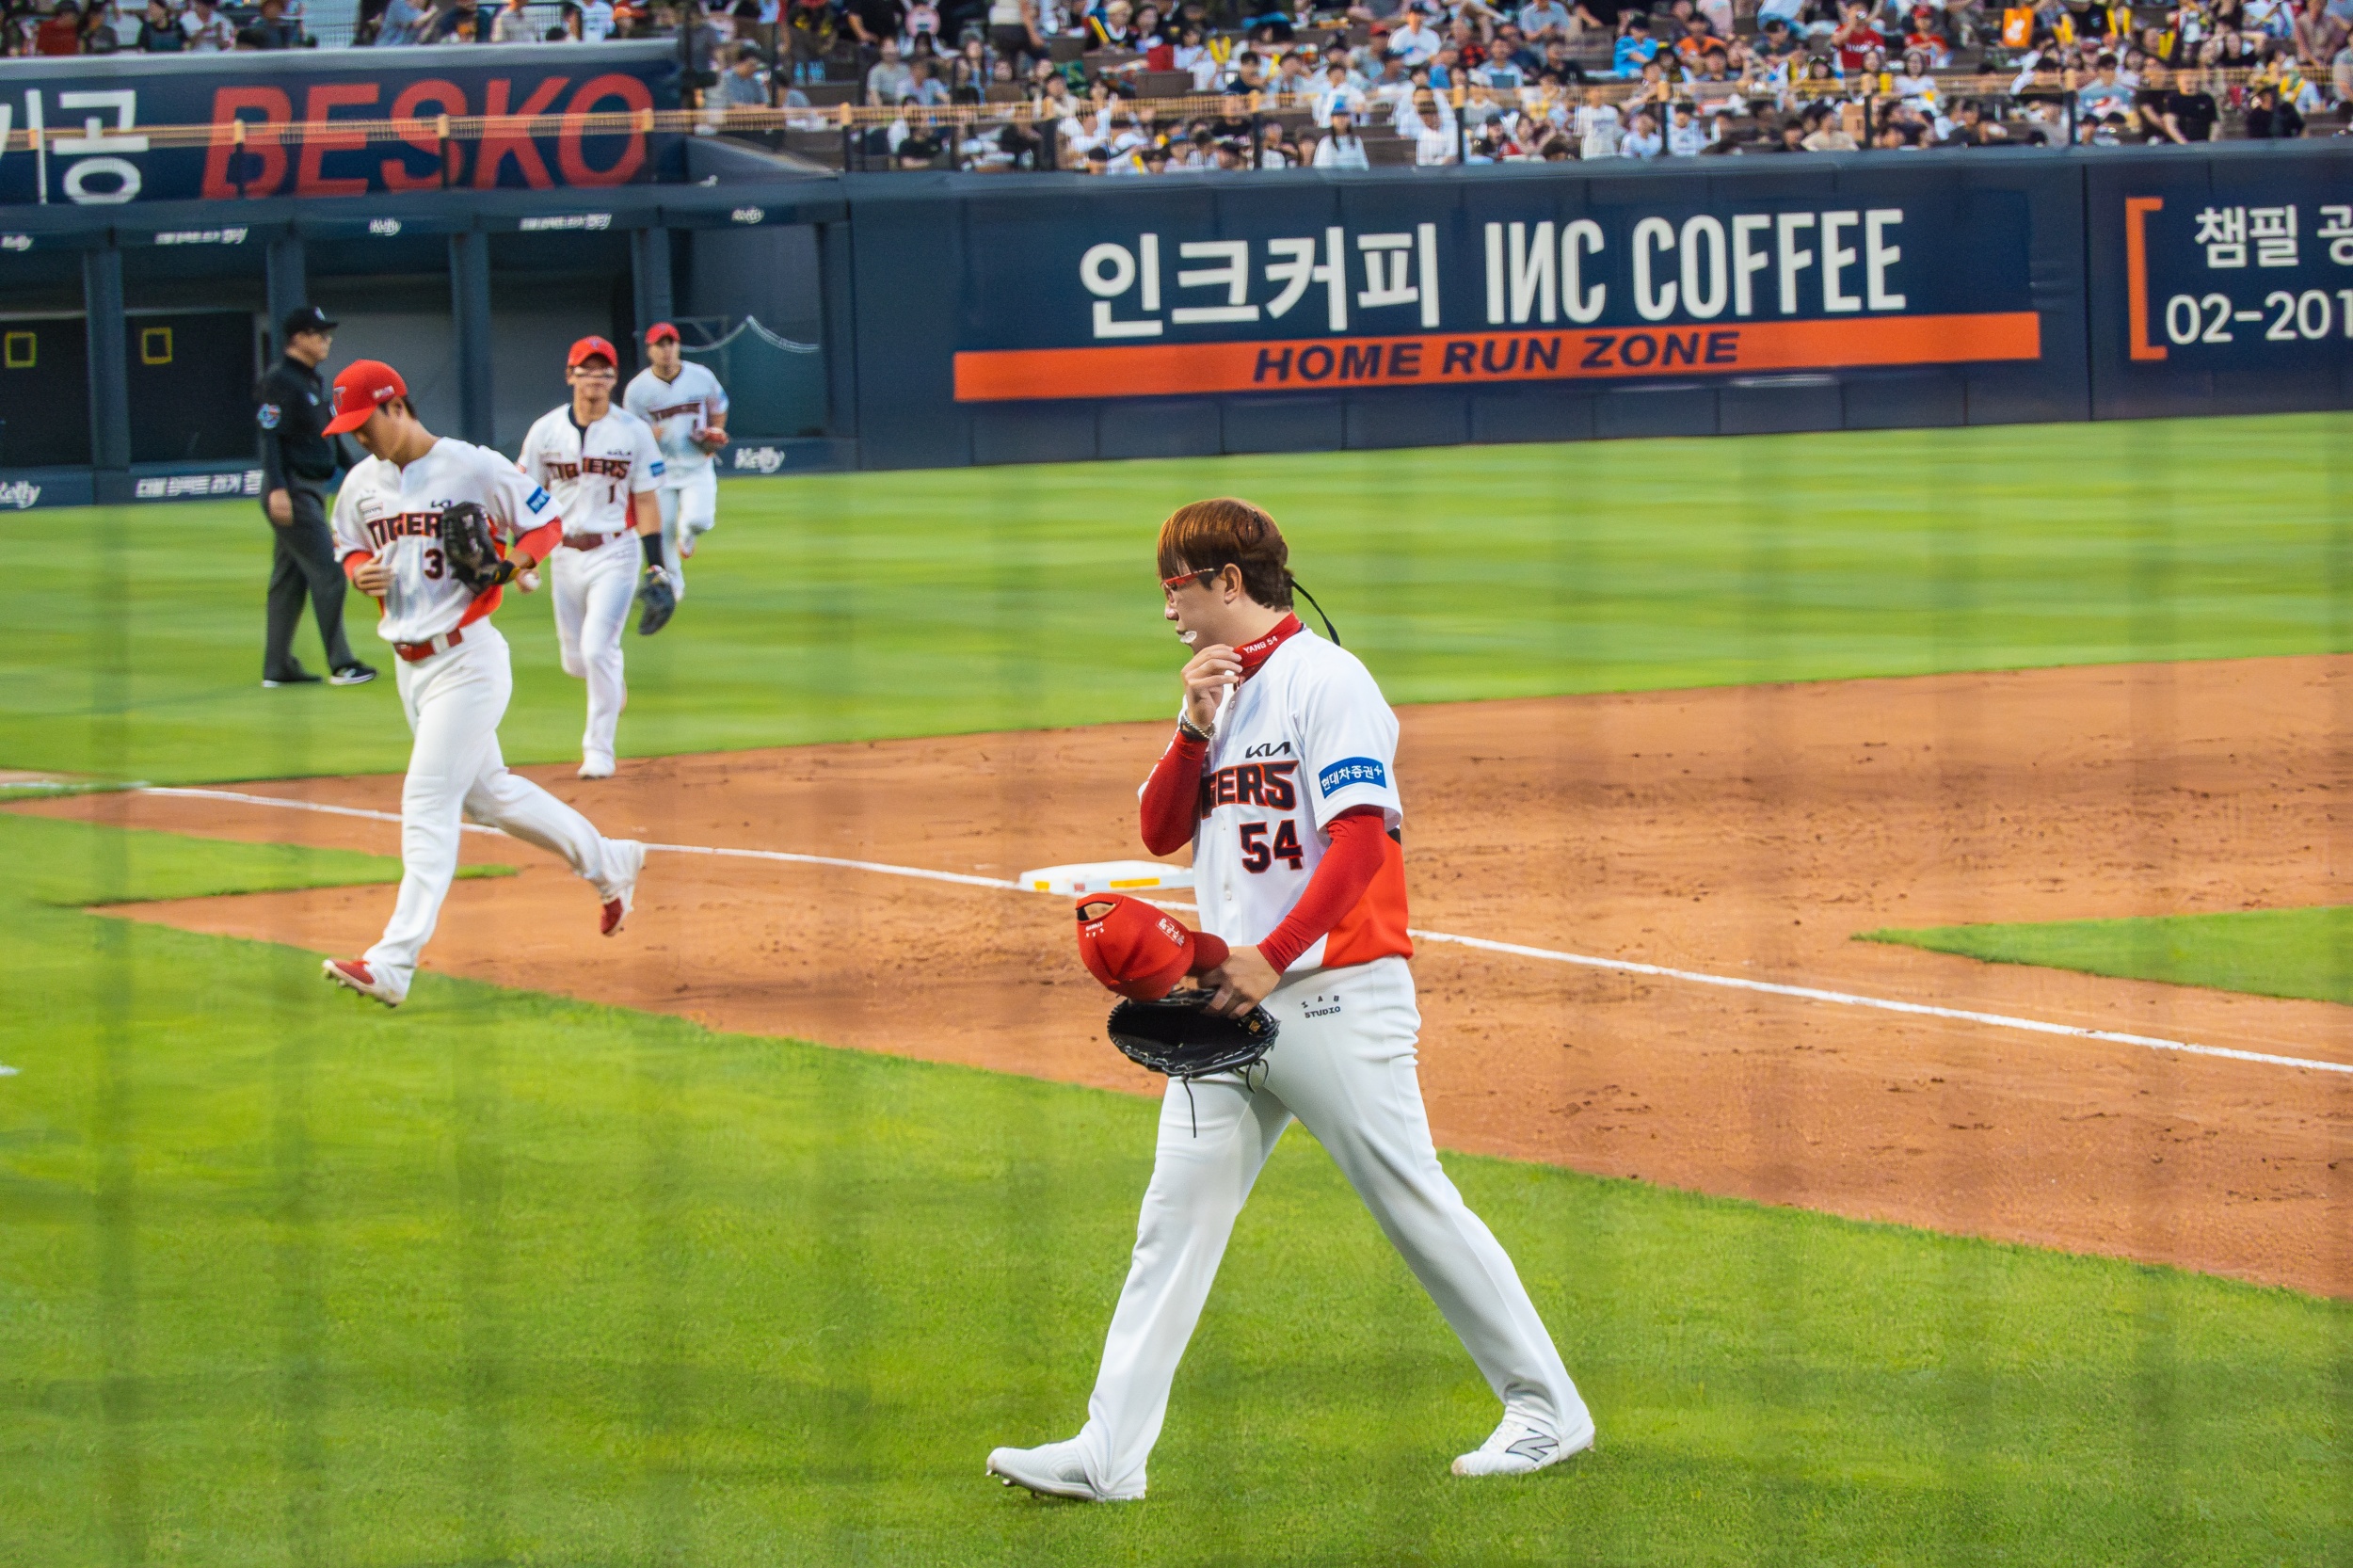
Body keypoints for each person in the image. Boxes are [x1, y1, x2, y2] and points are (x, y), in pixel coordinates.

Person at [984, 500, 1593, 1502]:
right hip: (1229, 1004)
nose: (1167, 606)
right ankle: (1108, 1453)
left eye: (1175, 586)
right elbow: (1157, 832)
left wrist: (1271, 955)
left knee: (1410, 1200)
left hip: (1335, 996)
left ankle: (1547, 1409)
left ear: (1228, 580)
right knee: (1171, 1223)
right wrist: (1191, 726)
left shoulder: (1328, 682)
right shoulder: (1219, 692)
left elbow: (1362, 843)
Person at [319, 359, 647, 1009]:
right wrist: (358, 570)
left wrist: (512, 565)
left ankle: (392, 963)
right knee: (489, 797)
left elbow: (546, 521)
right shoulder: (361, 483)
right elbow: (346, 542)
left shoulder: (471, 465)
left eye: (364, 423)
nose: (357, 437)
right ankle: (609, 862)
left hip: (469, 661)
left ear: (397, 406)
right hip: (410, 668)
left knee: (427, 799)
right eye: (348, 428)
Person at [520, 338, 672, 782]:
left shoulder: (633, 432)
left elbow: (647, 501)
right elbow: (525, 497)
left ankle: (598, 750)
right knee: (576, 662)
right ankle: (611, 679)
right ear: (570, 376)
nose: (595, 379)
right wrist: (524, 560)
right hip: (563, 555)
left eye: (604, 371)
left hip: (615, 551)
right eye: (586, 370)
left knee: (597, 648)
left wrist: (656, 565)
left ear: (614, 378)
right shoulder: (545, 431)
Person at [255, 307, 374, 690]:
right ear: (298, 338)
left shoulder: (310, 380)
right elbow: (269, 435)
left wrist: (357, 474)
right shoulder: (279, 380)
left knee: (289, 580)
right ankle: (342, 663)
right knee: (329, 572)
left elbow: (329, 437)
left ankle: (278, 666)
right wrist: (277, 488)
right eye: (319, 334)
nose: (327, 340)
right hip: (292, 489)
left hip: (308, 487)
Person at [623, 323, 730, 592]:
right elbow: (629, 431)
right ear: (649, 350)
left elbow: (719, 406)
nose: (666, 350)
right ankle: (673, 585)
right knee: (663, 531)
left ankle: (689, 535)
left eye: (671, 343)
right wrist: (647, 435)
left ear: (678, 346)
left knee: (700, 520)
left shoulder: (700, 377)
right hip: (660, 471)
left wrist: (716, 432)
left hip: (697, 464)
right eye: (660, 345)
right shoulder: (637, 389)